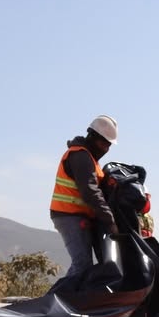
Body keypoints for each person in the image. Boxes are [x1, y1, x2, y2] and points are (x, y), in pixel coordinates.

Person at [49, 115, 120, 288]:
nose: (106, 149)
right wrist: (110, 220)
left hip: (76, 215)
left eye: (109, 145)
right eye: (104, 144)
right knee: (82, 265)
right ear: (93, 137)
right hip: (68, 215)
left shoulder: (89, 158)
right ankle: (53, 302)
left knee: (84, 265)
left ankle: (65, 303)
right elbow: (90, 192)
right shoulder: (80, 156)